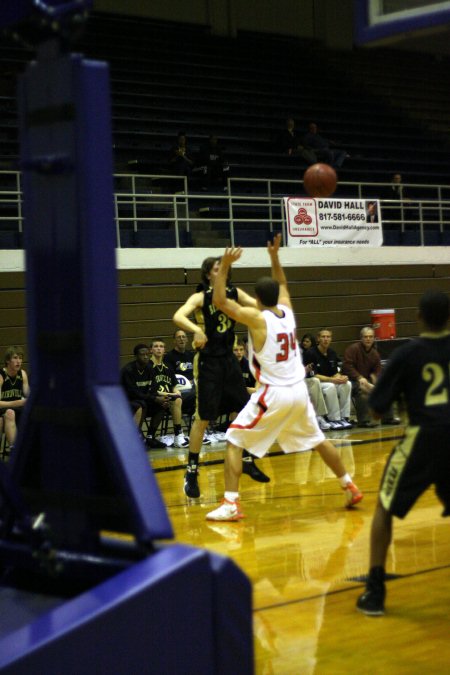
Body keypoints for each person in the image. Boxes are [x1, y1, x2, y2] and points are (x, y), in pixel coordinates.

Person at [206, 234, 363, 521]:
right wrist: (275, 256)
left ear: (256, 299)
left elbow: (218, 300)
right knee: (319, 439)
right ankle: (349, 485)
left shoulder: (257, 319)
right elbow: (284, 284)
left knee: (233, 439)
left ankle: (231, 504)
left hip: (274, 393)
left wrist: (225, 266)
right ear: (276, 295)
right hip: (299, 392)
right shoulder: (288, 312)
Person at [356, 290, 450, 616]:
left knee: (384, 506)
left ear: (419, 317)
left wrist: (374, 392)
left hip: (423, 439)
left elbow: (378, 413)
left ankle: (375, 590)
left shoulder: (408, 354)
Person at [173, 261, 270, 497]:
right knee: (203, 418)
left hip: (228, 361)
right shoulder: (200, 297)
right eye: (217, 269)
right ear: (207, 274)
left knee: (246, 409)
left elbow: (258, 306)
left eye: (223, 269)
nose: (221, 272)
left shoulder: (234, 293)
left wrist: (274, 306)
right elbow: (178, 316)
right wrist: (195, 329)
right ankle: (191, 471)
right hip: (208, 362)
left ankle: (246, 458)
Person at [341, 327, 400, 428]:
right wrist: (359, 377)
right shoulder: (353, 349)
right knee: (361, 390)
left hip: (367, 381)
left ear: (374, 338)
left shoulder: (375, 353)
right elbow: (347, 366)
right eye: (365, 337)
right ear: (361, 338)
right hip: (351, 381)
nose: (368, 339)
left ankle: (388, 418)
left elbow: (377, 369)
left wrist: (375, 378)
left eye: (370, 337)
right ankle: (364, 421)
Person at [303, 329, 353, 430]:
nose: (326, 339)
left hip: (329, 380)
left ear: (331, 339)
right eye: (323, 337)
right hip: (315, 383)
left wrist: (340, 377)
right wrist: (332, 380)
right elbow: (314, 375)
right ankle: (333, 419)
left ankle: (344, 417)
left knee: (347, 384)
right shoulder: (311, 353)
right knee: (330, 387)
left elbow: (334, 372)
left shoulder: (332, 353)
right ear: (318, 339)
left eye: (328, 337)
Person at [120, 343, 167, 449]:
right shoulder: (128, 371)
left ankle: (150, 437)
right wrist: (154, 398)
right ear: (136, 356)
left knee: (162, 405)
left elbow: (154, 390)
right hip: (127, 402)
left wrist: (157, 398)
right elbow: (133, 393)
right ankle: (136, 438)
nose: (146, 356)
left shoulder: (150, 369)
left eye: (147, 354)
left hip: (144, 400)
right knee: (141, 405)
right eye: (142, 354)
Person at [150, 338, 189, 448]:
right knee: (175, 399)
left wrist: (176, 392)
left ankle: (180, 435)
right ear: (151, 350)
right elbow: (152, 390)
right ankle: (178, 434)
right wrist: (173, 395)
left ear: (164, 350)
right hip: (155, 399)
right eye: (156, 346)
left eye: (161, 346)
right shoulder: (148, 366)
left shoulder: (168, 367)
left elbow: (174, 386)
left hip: (169, 399)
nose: (159, 349)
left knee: (180, 398)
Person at [0, 346, 30, 450]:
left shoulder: (23, 374)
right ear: (8, 360)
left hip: (18, 410)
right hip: (3, 410)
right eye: (15, 358)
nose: (19, 361)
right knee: (9, 413)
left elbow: (28, 394)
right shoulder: (1, 376)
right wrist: (17, 402)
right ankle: (15, 451)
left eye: (20, 358)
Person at [300, 333, 331, 431]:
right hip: (294, 382)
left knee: (315, 381)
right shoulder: (300, 352)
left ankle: (320, 417)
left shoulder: (310, 353)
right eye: (304, 341)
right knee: (315, 381)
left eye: (307, 341)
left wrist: (306, 370)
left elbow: (311, 373)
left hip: (306, 379)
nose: (305, 343)